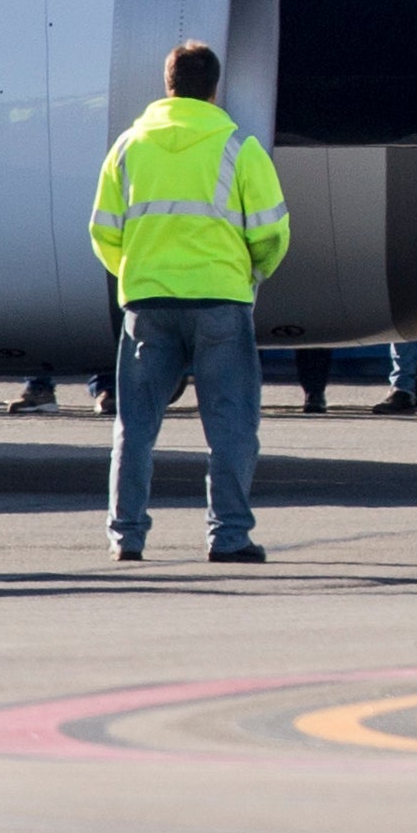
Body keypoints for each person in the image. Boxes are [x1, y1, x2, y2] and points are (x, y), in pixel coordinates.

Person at [92, 40, 290, 562]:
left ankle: (126, 536)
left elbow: (104, 233)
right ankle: (228, 537)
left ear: (168, 84)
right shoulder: (238, 148)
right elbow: (271, 233)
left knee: (135, 428)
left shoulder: (128, 148)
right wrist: (251, 276)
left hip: (148, 303)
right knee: (231, 428)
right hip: (221, 301)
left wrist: (136, 272)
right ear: (214, 88)